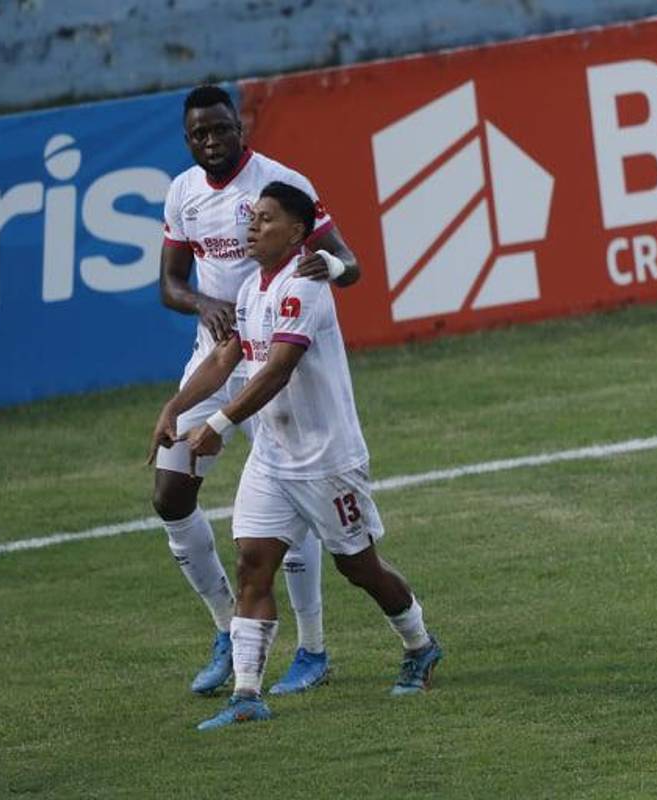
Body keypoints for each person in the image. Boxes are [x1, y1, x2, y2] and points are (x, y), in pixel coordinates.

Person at [149, 182, 442, 731]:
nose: (252, 227)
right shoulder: (252, 288)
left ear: (298, 233)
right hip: (273, 457)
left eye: (265, 219)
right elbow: (225, 357)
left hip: (327, 460)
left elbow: (277, 368)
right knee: (253, 562)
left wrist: (217, 425)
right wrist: (177, 406)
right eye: (251, 218)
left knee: (359, 567)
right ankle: (246, 696)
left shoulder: (304, 287)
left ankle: (420, 644)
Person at [152, 85, 362, 696]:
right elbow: (170, 283)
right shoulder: (182, 192)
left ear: (240, 126)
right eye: (200, 134)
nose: (211, 141)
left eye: (221, 129)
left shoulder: (278, 184)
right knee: (169, 495)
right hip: (216, 357)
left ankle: (313, 648)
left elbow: (350, 263)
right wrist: (202, 301)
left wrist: (334, 268)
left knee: (289, 508)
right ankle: (225, 627)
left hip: (277, 359)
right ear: (188, 138)